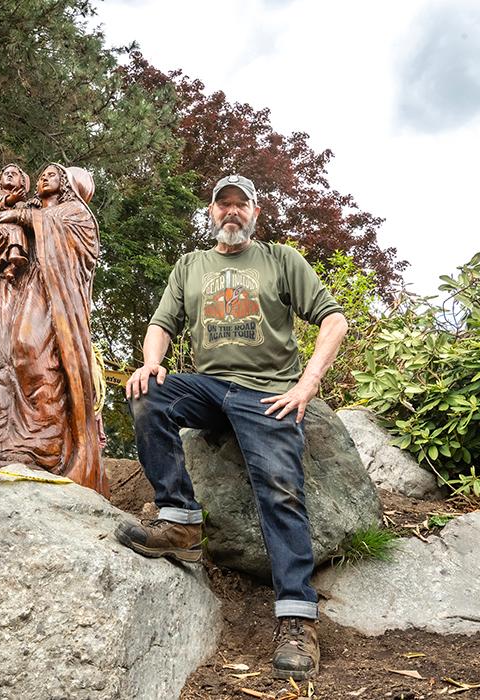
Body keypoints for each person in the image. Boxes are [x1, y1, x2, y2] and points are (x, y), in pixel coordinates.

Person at [114, 174, 348, 680]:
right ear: (211, 213)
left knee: (280, 491)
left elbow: (333, 321)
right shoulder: (190, 266)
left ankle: (296, 619)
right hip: (209, 387)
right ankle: (180, 521)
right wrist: (151, 362)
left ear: (256, 214)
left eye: (243, 205)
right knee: (148, 394)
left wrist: (307, 385)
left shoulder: (282, 260)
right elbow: (162, 324)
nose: (233, 212)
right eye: (224, 205)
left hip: (268, 394)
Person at [0, 163, 106, 495]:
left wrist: (24, 219)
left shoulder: (75, 211)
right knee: (16, 349)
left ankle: (45, 439)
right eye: (43, 174)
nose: (45, 177)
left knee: (33, 350)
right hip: (32, 285)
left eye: (53, 174)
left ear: (64, 184)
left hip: (58, 297)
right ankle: (19, 434)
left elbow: (83, 249)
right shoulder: (29, 209)